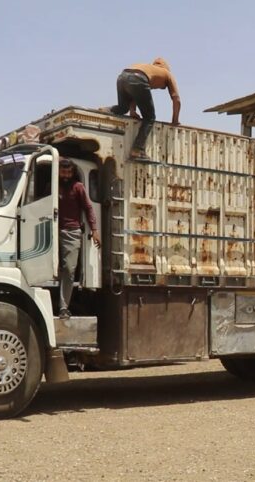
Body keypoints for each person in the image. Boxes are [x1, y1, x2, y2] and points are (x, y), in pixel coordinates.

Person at [109, 57, 181, 161]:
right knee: (150, 117)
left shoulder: (147, 68)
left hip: (122, 77)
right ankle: (137, 150)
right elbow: (176, 99)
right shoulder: (167, 73)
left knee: (123, 108)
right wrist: (175, 121)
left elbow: (134, 92)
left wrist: (132, 111)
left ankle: (105, 110)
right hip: (139, 79)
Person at [58, 159, 101, 319]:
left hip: (72, 232)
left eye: (69, 172)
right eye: (63, 172)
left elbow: (89, 208)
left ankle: (63, 307)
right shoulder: (53, 187)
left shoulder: (78, 187)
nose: (66, 175)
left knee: (69, 269)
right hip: (52, 231)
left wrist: (95, 230)